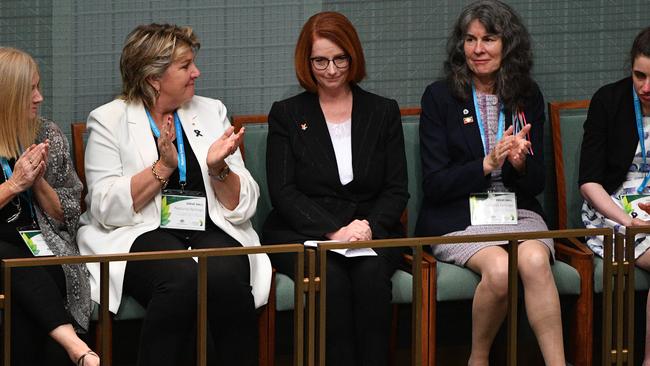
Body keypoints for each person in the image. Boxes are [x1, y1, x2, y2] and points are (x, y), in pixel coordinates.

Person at [76, 24, 272, 366]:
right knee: (180, 281)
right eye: (185, 66)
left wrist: (218, 168)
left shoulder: (212, 112)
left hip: (209, 228)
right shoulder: (109, 120)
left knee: (226, 279)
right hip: (141, 232)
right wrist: (162, 168)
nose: (196, 72)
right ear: (153, 77)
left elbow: (245, 203)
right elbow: (105, 207)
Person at [414, 1, 565, 365]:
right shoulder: (440, 98)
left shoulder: (527, 95)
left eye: (489, 39)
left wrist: (518, 164)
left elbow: (538, 183)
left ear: (508, 45)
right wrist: (485, 164)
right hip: (457, 215)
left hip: (517, 210)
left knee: (534, 261)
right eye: (470, 39)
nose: (477, 49)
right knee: (499, 270)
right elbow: (434, 184)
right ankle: (477, 359)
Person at [262, 11, 408, 366]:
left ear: (352, 56)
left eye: (339, 58)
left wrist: (367, 227)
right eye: (320, 60)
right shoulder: (286, 113)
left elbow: (396, 188)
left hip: (371, 229)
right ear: (306, 61)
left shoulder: (383, 111)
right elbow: (283, 191)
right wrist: (335, 230)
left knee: (372, 276)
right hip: (303, 229)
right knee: (329, 280)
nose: (331, 69)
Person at [0, 48, 98, 366]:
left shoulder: (46, 134)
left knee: (26, 293)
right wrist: (14, 185)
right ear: (8, 94)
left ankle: (73, 348)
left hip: (45, 251)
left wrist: (39, 182)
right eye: (31, 89)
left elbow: (68, 213)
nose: (40, 97)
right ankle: (77, 347)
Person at [579, 26, 650, 365]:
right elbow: (589, 182)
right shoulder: (609, 100)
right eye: (639, 76)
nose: (646, 87)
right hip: (613, 210)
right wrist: (629, 221)